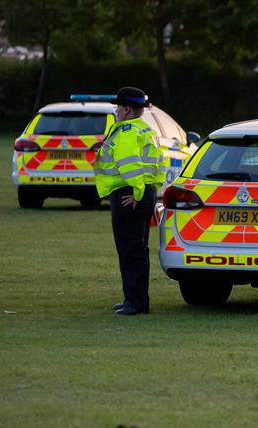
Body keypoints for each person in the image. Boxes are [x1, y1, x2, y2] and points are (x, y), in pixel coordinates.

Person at [95, 87, 167, 316]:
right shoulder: (147, 130)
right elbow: (160, 164)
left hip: (129, 194)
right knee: (138, 249)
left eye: (118, 106)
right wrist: (146, 192)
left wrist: (136, 193)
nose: (116, 110)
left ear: (126, 108)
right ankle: (135, 299)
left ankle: (134, 303)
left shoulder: (126, 131)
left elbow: (130, 164)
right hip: (144, 191)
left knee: (129, 250)